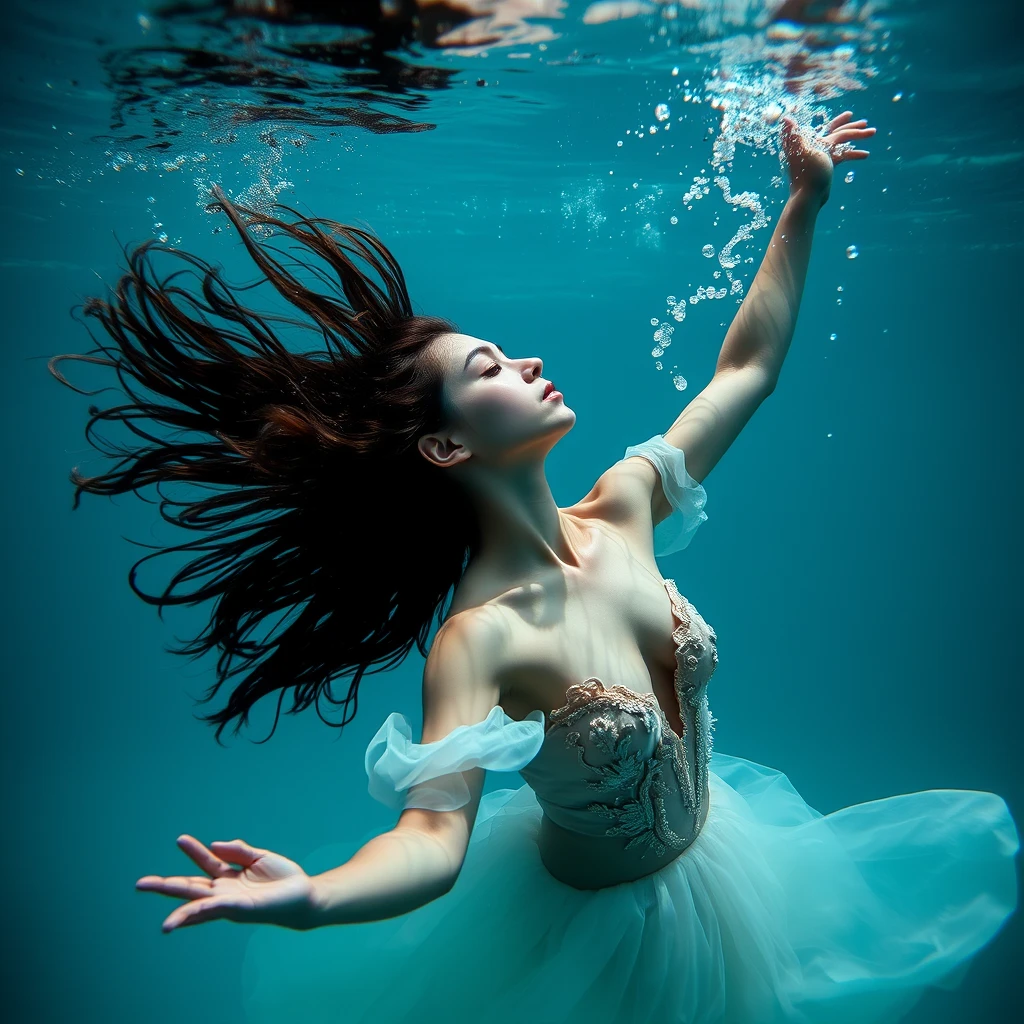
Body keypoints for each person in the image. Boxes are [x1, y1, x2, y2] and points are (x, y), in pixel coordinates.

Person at [50, 111, 1018, 1023]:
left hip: (727, 876)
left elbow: (744, 371)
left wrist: (802, 203)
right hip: (595, 949)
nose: (525, 362)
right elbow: (430, 844)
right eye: (489, 370)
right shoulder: (481, 637)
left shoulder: (626, 504)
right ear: (444, 449)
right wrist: (312, 894)